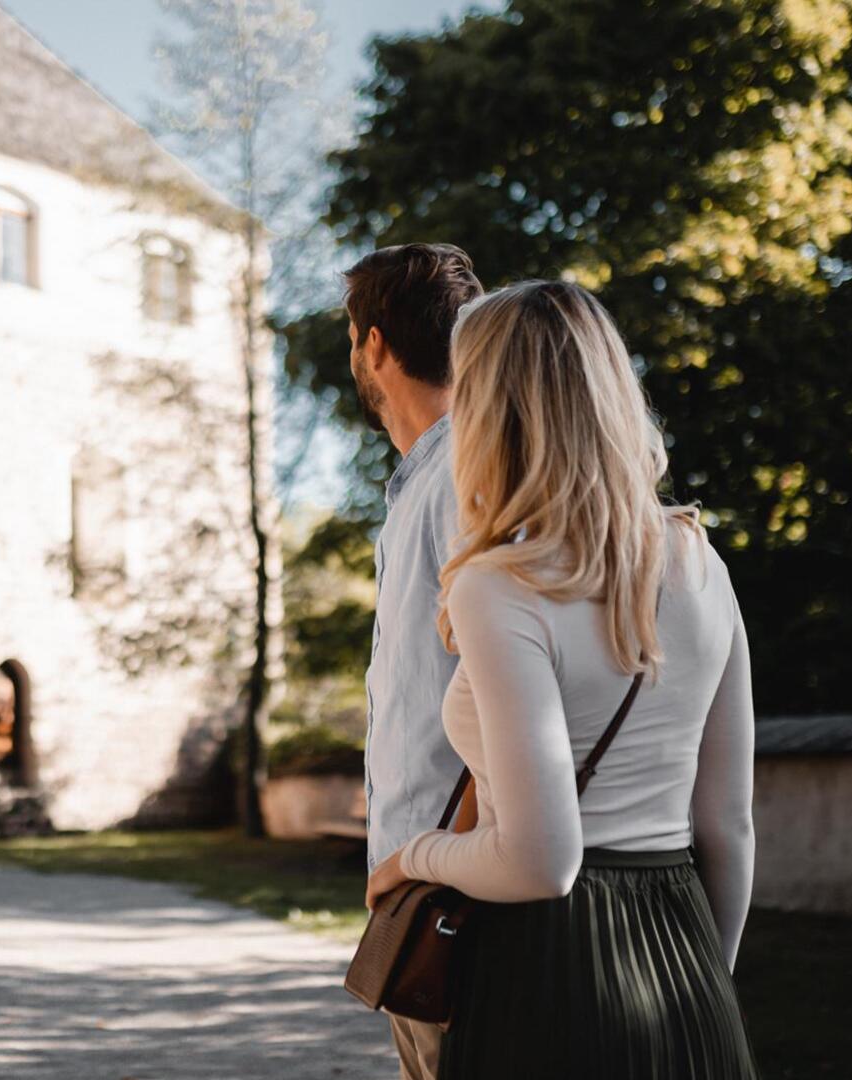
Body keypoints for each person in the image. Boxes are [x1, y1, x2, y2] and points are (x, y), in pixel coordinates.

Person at [364, 280, 760, 1078]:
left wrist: (412, 859)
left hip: (542, 975)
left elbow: (542, 860)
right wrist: (700, 984)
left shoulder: (499, 584)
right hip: (686, 969)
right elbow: (728, 825)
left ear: (488, 406)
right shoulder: (700, 564)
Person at [342, 242, 484, 1080]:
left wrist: (437, 877)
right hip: (424, 896)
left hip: (457, 907)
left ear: (375, 347)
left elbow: (511, 691)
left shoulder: (464, 475)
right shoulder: (421, 484)